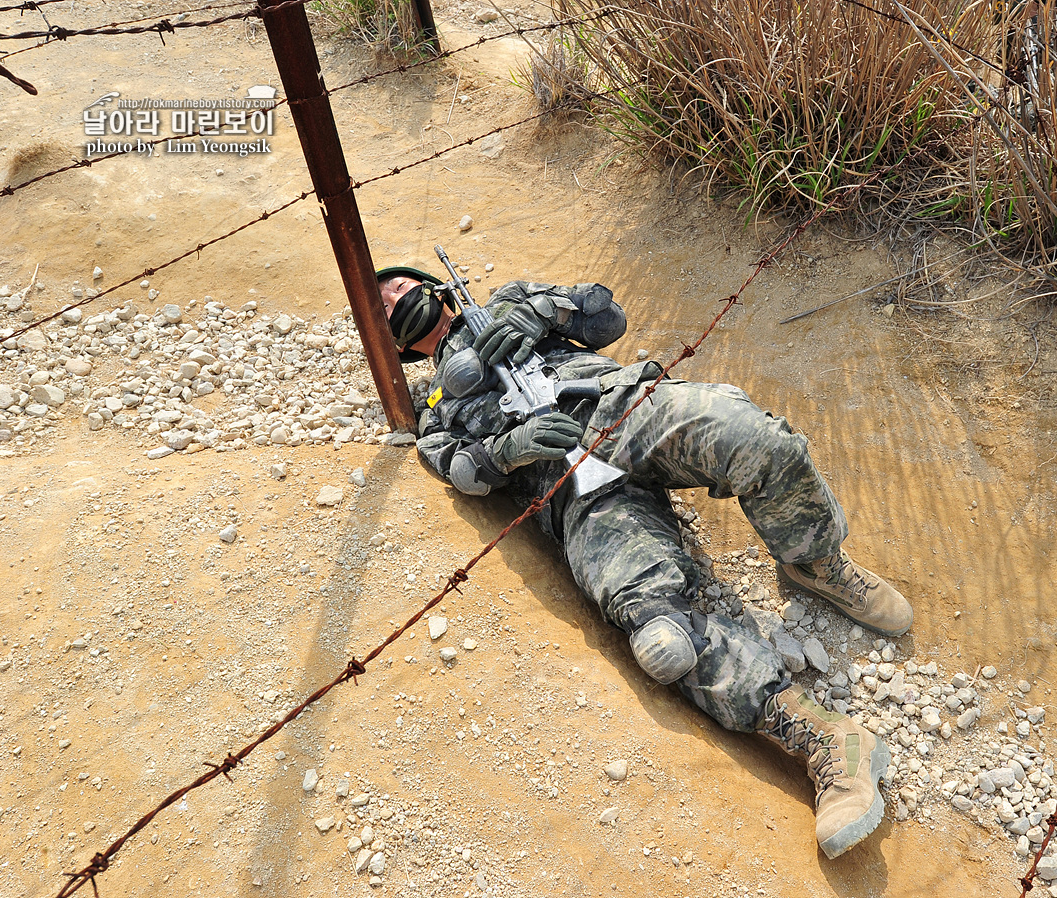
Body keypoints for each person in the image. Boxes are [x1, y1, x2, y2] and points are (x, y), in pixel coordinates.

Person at [376, 263, 914, 858]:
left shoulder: (511, 301)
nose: (395, 296)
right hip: (575, 487)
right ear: (395, 345)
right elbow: (461, 472)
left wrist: (540, 313)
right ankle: (828, 742)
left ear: (434, 285)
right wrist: (509, 450)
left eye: (398, 283)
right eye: (381, 306)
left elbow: (609, 315)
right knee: (664, 642)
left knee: (756, 438)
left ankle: (815, 564)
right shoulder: (435, 409)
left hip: (626, 409)